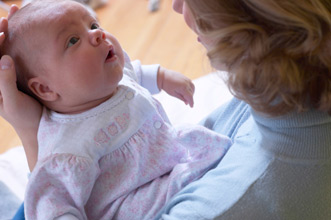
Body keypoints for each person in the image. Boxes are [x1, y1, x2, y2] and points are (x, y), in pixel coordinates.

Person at [1, 0, 330, 219]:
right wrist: (36, 133)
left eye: (93, 24)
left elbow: (133, 71)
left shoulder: (229, 202)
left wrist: (31, 135)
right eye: (73, 40)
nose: (98, 34)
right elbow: (52, 202)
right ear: (44, 88)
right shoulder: (68, 153)